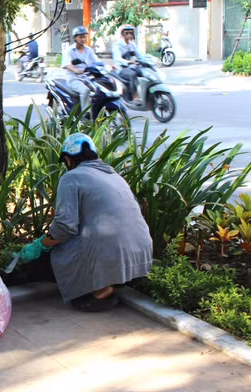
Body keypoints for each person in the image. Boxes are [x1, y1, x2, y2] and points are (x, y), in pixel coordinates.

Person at [17, 133, 153, 312]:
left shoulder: (71, 177)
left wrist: (40, 245)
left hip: (112, 254)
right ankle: (113, 279)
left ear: (67, 158)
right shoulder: (113, 175)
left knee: (53, 255)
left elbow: (65, 226)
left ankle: (100, 290)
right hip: (140, 257)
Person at [62, 26, 101, 117]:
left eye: (84, 37)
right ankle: (85, 114)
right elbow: (67, 65)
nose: (83, 39)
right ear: (75, 38)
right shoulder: (69, 51)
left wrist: (106, 66)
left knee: (99, 90)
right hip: (74, 78)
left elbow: (96, 61)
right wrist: (76, 70)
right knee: (85, 90)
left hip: (87, 78)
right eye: (80, 37)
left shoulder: (88, 50)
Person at [112, 24, 142, 103]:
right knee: (132, 74)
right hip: (121, 69)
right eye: (127, 33)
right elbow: (118, 59)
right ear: (122, 34)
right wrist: (128, 62)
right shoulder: (117, 45)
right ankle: (134, 96)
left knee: (143, 72)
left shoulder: (132, 45)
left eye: (131, 33)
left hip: (131, 66)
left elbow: (140, 55)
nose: (129, 35)